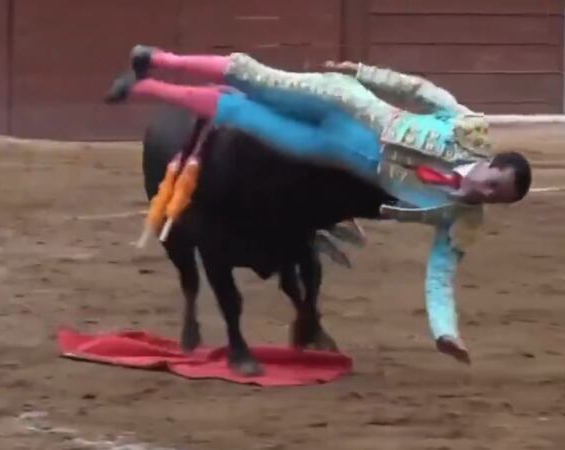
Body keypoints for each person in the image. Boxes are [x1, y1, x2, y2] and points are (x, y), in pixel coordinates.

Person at [105, 45, 533, 364]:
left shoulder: (459, 216)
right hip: (342, 102)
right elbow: (420, 91)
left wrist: (446, 331)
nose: (487, 194)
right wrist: (363, 72)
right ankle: (159, 60)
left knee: (241, 116)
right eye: (494, 184)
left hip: (326, 153)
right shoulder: (468, 130)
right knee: (254, 76)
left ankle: (144, 87)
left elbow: (440, 275)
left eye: (498, 199)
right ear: (490, 163)